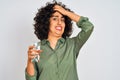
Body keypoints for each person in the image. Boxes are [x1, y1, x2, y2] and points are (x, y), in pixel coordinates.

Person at [25, 1, 94, 80]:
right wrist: (30, 61)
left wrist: (66, 13)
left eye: (62, 19)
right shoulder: (36, 48)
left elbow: (88, 27)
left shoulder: (72, 44)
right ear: (47, 22)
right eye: (55, 18)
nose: (59, 22)